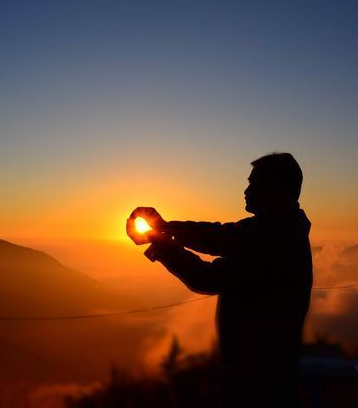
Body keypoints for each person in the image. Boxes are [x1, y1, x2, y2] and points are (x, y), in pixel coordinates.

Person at [129, 152, 313, 407]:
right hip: (260, 374)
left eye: (254, 183)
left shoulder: (275, 239)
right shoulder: (276, 228)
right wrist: (163, 229)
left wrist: (162, 240)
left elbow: (207, 278)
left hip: (259, 380)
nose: (246, 190)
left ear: (278, 189)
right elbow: (217, 236)